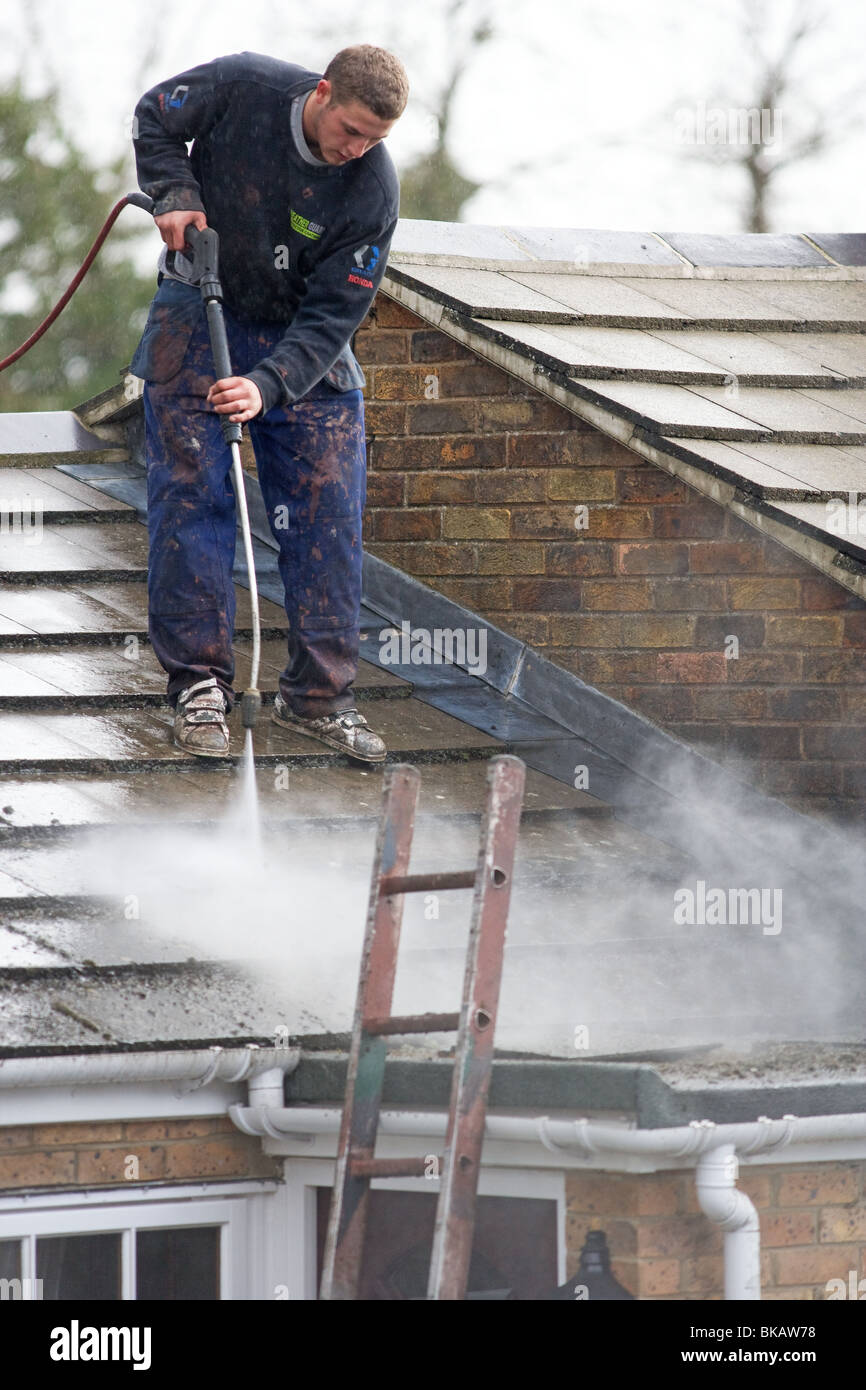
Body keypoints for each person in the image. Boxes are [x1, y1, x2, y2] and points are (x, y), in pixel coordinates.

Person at [130, 46, 408, 760]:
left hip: (301, 340)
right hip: (200, 307)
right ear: (321, 95)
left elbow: (334, 316)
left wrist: (268, 383)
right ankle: (199, 689)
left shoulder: (371, 187)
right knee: (192, 496)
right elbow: (155, 120)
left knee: (328, 506)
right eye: (350, 131)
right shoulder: (241, 85)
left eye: (375, 140)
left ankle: (317, 699)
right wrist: (174, 190)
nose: (357, 150)